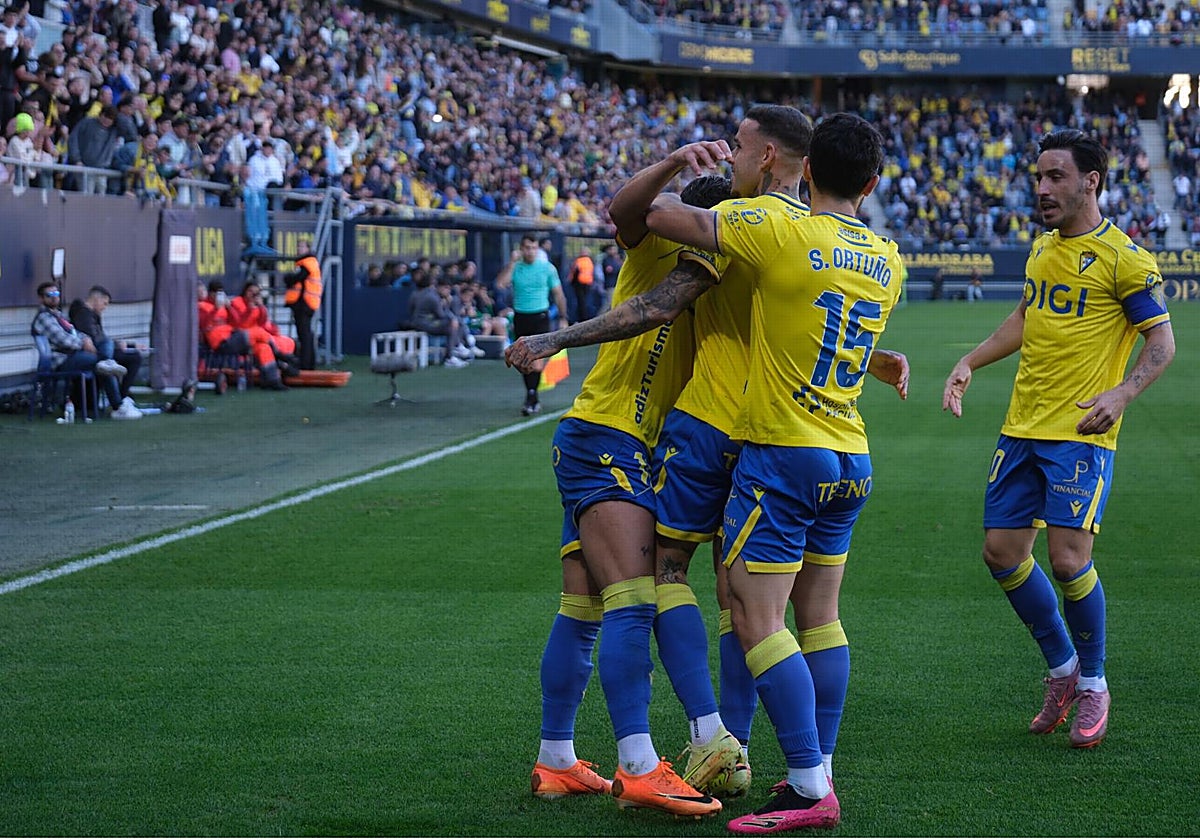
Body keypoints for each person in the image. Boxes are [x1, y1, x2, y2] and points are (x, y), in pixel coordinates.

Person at [507, 107, 909, 806]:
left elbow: (678, 292)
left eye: (744, 151)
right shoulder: (842, 248)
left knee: (634, 592)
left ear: (780, 163)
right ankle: (686, 747)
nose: (733, 163)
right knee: (683, 600)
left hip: (691, 433)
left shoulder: (758, 234)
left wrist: (555, 339)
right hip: (652, 435)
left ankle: (680, 747)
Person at [640, 112, 903, 833]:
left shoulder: (777, 226)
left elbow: (659, 218)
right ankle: (818, 763)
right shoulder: (890, 254)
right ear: (873, 183)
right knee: (819, 617)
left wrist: (717, 182)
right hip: (851, 455)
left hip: (784, 453)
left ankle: (810, 785)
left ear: (808, 169)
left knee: (755, 614)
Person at [942, 128, 1174, 750]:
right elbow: (1026, 315)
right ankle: (1063, 669)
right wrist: (971, 360)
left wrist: (1121, 394)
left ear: (1090, 182)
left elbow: (1162, 344)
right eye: (1037, 177)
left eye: (1055, 178)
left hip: (1080, 431)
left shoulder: (1126, 258)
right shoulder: (1043, 249)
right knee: (1001, 554)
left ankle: (1095, 682)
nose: (1041, 189)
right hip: (1021, 426)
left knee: (1069, 560)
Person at [525, 163, 742, 817]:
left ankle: (557, 758)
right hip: (609, 440)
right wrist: (675, 162)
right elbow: (625, 210)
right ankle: (640, 765)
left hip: (601, 437)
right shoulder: (676, 248)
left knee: (583, 606)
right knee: (635, 601)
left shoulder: (711, 263)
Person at [31, 281, 129, 420]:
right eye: (49, 295)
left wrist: (85, 339)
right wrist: (83, 343)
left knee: (104, 359)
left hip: (74, 355)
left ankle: (117, 404)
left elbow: (73, 331)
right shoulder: (44, 318)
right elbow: (63, 339)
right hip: (61, 360)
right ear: (41, 298)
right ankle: (118, 406)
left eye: (56, 293)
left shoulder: (57, 316)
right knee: (103, 361)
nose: (54, 297)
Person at [495, 235, 568, 415]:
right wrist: (512, 262)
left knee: (537, 361)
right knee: (524, 361)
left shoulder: (547, 268)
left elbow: (558, 294)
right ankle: (531, 395)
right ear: (521, 249)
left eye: (534, 248)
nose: (531, 251)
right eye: (527, 248)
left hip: (540, 316)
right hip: (521, 316)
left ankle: (531, 396)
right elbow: (500, 284)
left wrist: (563, 316)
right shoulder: (517, 267)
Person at [68, 284, 143, 418]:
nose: (104, 307)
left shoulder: (92, 315)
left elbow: (100, 338)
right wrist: (115, 345)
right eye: (104, 303)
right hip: (93, 352)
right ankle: (120, 399)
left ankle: (119, 394)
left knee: (126, 354)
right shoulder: (83, 314)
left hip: (99, 352)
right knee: (132, 357)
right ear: (96, 299)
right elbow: (95, 340)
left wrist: (127, 345)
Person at [227, 281, 295, 388]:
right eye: (250, 291)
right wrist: (250, 309)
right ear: (245, 291)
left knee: (264, 348)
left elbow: (262, 323)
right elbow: (239, 322)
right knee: (259, 333)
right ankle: (278, 355)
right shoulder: (236, 302)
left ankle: (273, 380)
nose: (253, 294)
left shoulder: (257, 305)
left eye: (256, 292)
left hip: (254, 340)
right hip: (239, 337)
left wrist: (262, 308)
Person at [407, 271, 470, 369]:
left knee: (454, 323)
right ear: (439, 287)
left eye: (449, 288)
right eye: (446, 288)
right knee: (451, 323)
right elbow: (441, 315)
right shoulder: (433, 298)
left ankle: (454, 351)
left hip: (429, 322)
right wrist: (447, 305)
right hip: (421, 323)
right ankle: (455, 349)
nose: (448, 291)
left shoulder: (435, 295)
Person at [282, 236, 323, 370]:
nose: (299, 249)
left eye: (302, 246)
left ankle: (306, 364)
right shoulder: (308, 263)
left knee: (304, 334)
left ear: (308, 248)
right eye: (298, 247)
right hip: (306, 303)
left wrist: (287, 278)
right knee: (306, 334)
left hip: (304, 304)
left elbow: (295, 279)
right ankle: (309, 362)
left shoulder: (307, 263)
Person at [567, 246, 595, 324]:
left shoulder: (579, 260)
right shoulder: (590, 261)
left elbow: (574, 271)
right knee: (584, 302)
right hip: (588, 283)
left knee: (580, 302)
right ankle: (584, 318)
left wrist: (571, 281)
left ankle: (581, 319)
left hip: (579, 283)